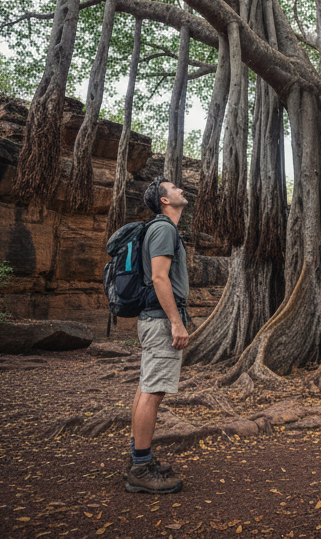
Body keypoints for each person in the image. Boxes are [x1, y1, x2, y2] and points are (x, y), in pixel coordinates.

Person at [127, 177, 191, 494]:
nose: (180, 189)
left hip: (152, 319)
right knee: (152, 392)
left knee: (146, 388)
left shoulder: (160, 228)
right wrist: (176, 323)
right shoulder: (164, 228)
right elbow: (159, 277)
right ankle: (140, 468)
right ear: (164, 200)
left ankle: (141, 457)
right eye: (174, 188)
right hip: (160, 321)